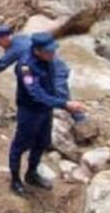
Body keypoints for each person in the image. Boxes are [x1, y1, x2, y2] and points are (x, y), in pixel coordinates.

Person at [10, 32, 87, 195]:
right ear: (37, 51)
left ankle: (31, 174)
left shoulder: (49, 60)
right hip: (30, 111)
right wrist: (64, 104)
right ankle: (15, 180)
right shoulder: (26, 67)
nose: (53, 54)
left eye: (53, 50)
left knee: (42, 143)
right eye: (49, 51)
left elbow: (55, 83)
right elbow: (35, 94)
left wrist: (67, 103)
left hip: (46, 109)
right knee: (20, 146)